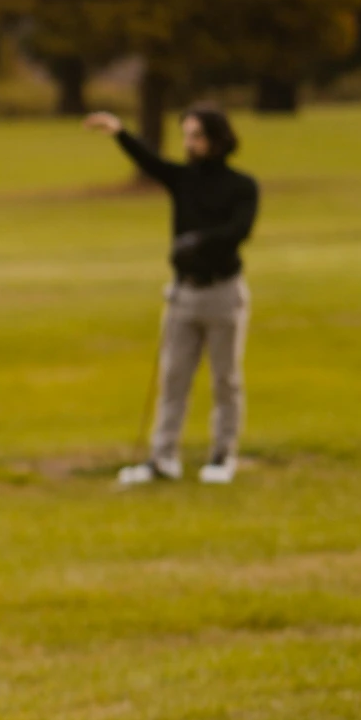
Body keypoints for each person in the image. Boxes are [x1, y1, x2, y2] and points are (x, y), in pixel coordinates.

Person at [85, 104, 259, 486]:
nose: (190, 143)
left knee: (225, 379)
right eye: (186, 135)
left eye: (197, 135)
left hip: (223, 292)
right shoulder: (183, 180)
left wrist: (199, 242)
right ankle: (163, 457)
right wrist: (119, 131)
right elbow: (150, 161)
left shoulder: (242, 186)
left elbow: (239, 230)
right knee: (173, 377)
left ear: (216, 139)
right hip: (183, 293)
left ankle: (222, 455)